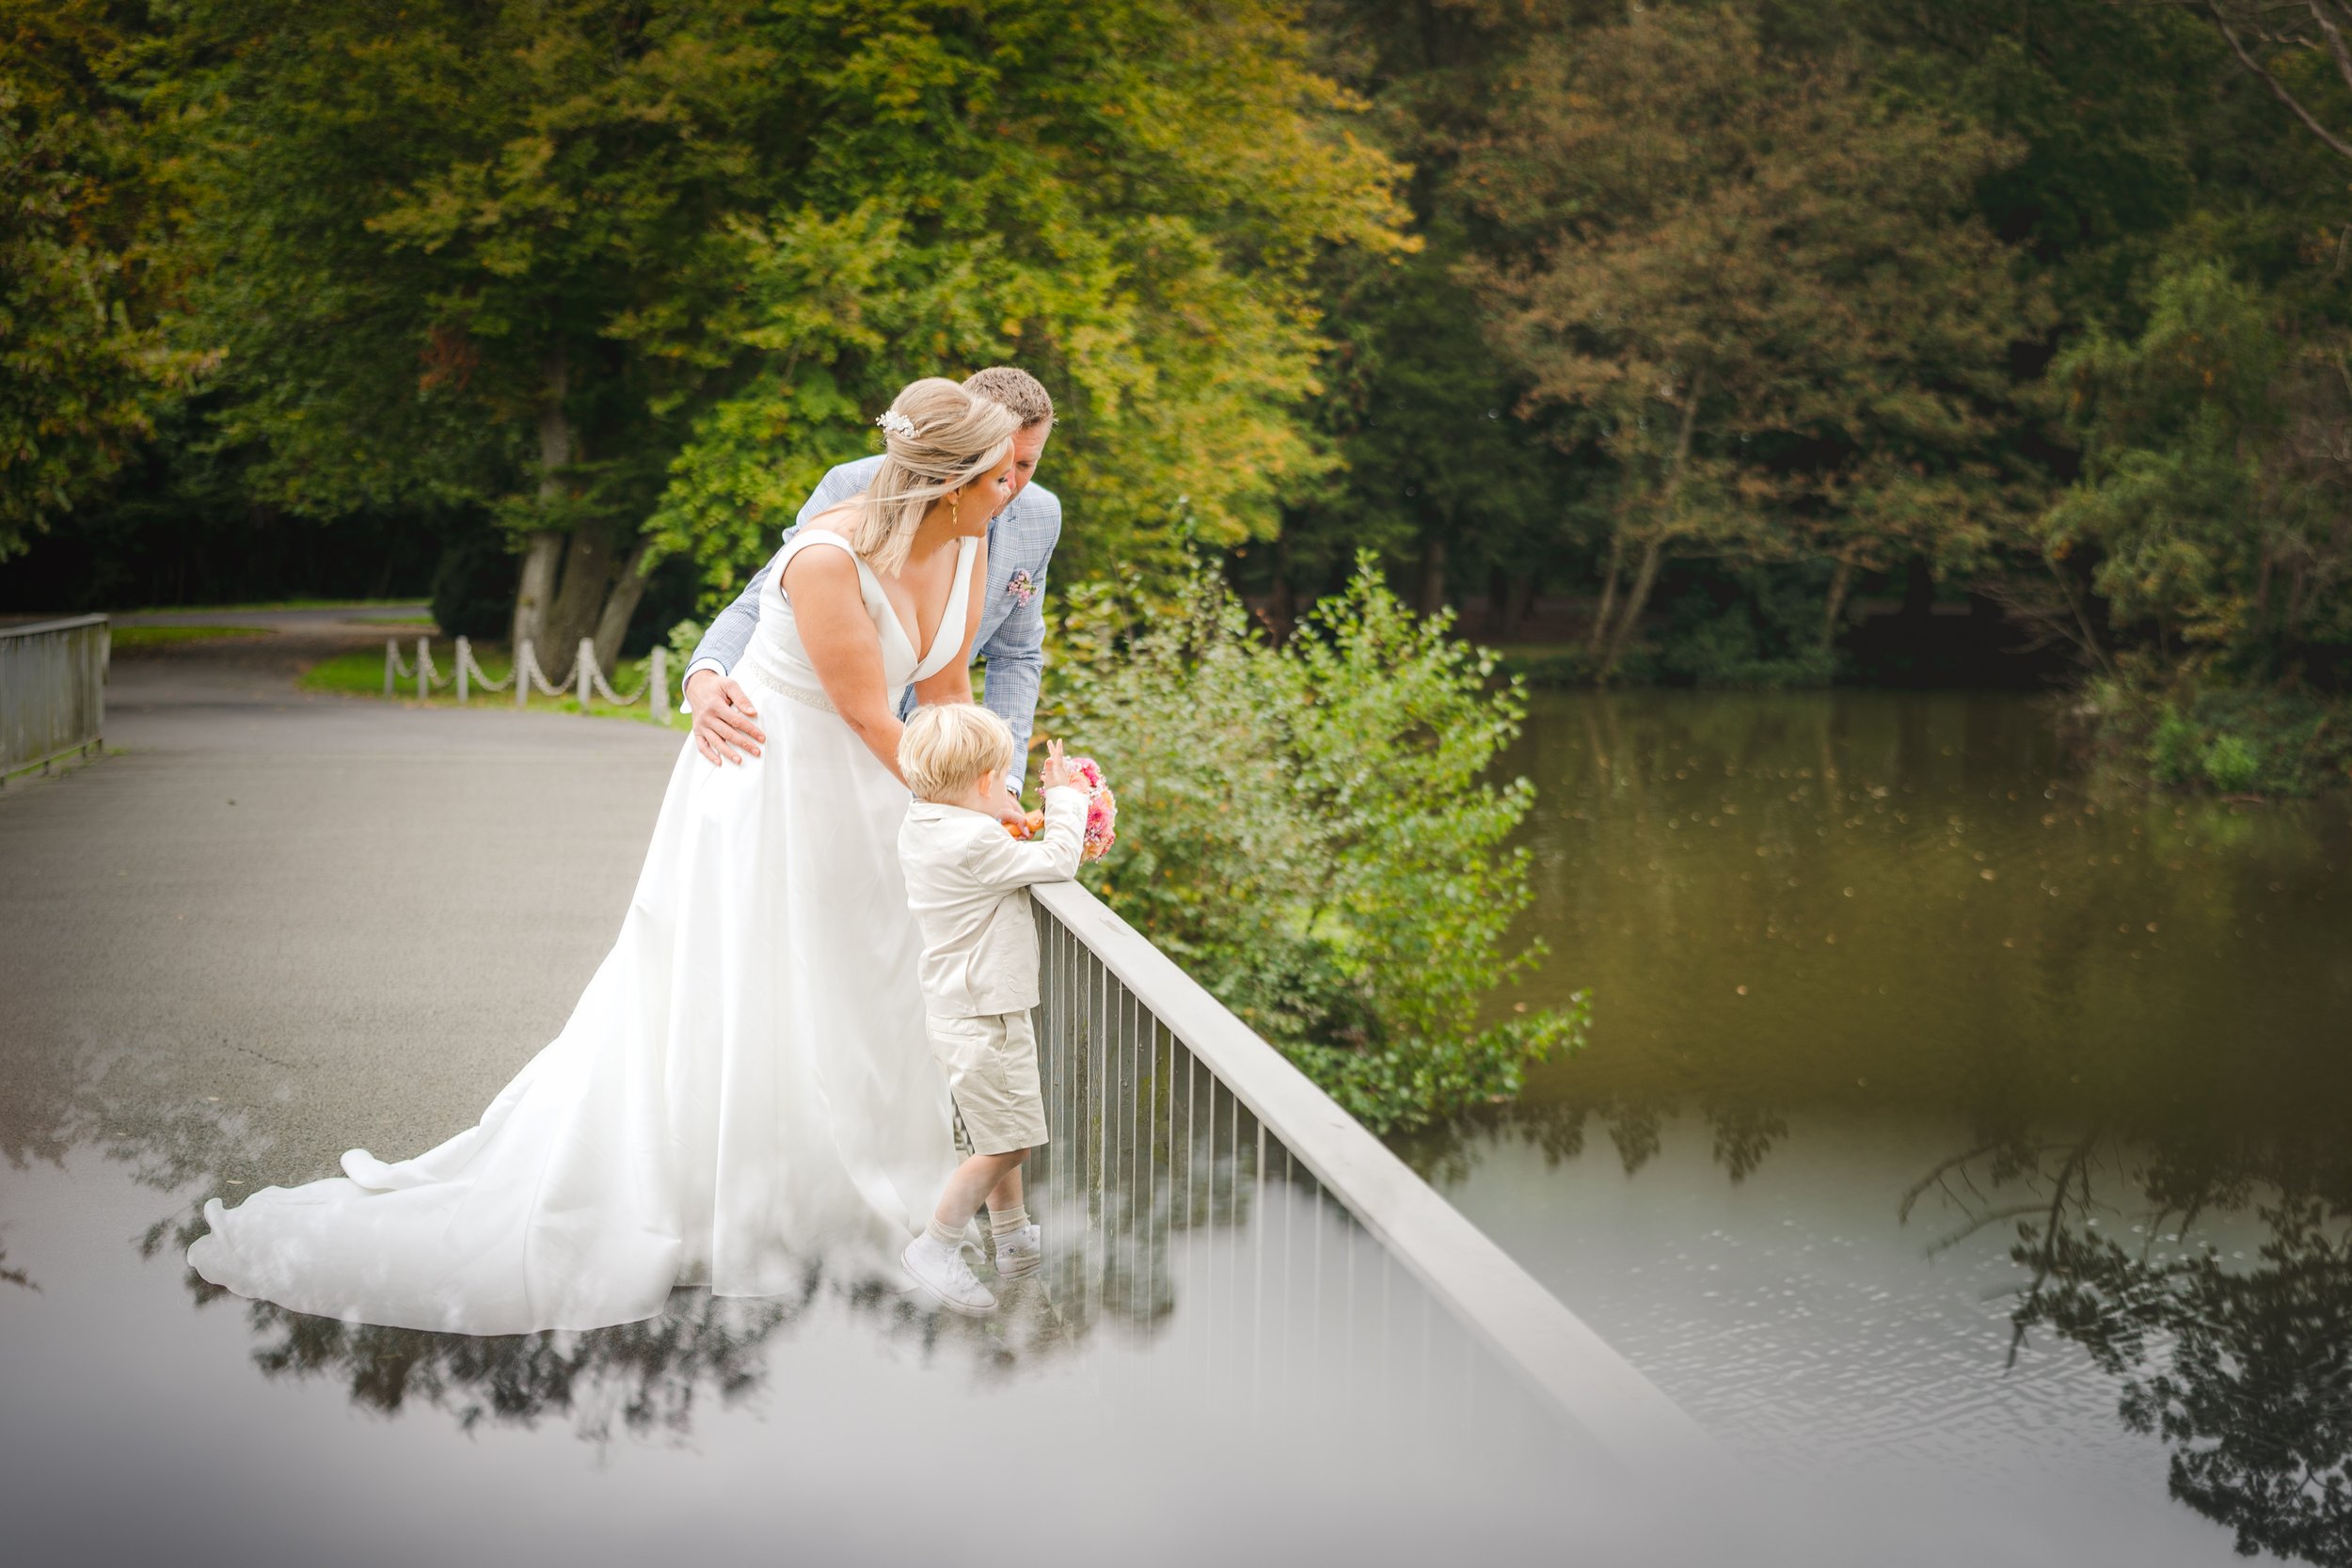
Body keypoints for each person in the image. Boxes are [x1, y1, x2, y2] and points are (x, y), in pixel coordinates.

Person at [189, 378, 1021, 1335]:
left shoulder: (973, 538)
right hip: (771, 782)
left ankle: (849, 1196)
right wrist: (984, 826)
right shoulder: (828, 558)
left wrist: (1002, 800)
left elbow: (949, 688)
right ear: (945, 482)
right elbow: (874, 718)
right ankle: (729, 1200)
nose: (1013, 494)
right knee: (751, 990)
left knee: (857, 985)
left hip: (869, 788)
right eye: (999, 477)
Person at [683, 366, 1059, 822]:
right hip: (794, 753)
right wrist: (704, 675)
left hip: (917, 766)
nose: (1013, 487)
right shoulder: (849, 497)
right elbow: (766, 598)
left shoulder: (1027, 521)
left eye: (1024, 465)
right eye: (1001, 469)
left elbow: (1010, 659)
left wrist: (997, 785)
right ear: (960, 466)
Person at [893, 706, 1086, 1314]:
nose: (1009, 785)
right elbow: (1059, 860)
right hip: (988, 1012)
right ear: (982, 781)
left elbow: (976, 845)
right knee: (1009, 1143)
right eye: (1003, 777)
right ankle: (937, 1245)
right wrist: (1064, 800)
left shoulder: (924, 823)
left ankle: (1013, 1239)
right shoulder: (975, 841)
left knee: (1000, 1128)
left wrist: (997, 810)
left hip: (961, 1005)